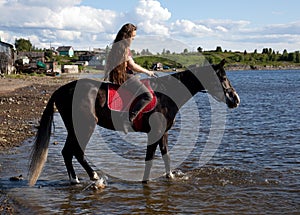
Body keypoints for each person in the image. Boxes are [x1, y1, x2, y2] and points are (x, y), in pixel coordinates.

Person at [104, 23, 156, 133]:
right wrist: (148, 72)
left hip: (120, 75)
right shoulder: (125, 48)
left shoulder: (117, 46)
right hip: (125, 76)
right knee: (147, 96)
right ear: (127, 36)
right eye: (132, 37)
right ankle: (128, 120)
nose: (133, 39)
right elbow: (132, 65)